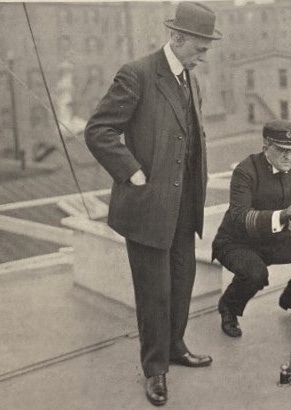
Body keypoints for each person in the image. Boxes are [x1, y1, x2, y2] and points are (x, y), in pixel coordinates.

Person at [84, 3, 221, 406]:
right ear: (177, 38)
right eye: (200, 45)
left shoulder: (192, 81)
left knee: (182, 283)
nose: (205, 53)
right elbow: (98, 130)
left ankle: (175, 347)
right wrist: (131, 171)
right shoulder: (138, 74)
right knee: (153, 292)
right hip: (147, 206)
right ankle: (155, 370)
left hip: (183, 204)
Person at [212, 120, 291, 338]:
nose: (289, 157)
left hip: (275, 241)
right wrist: (284, 214)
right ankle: (228, 307)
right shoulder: (245, 171)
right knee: (255, 274)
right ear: (266, 147)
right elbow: (240, 218)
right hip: (237, 242)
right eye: (282, 151)